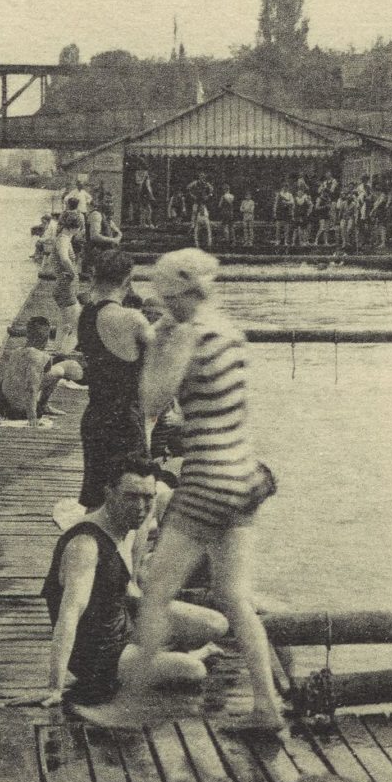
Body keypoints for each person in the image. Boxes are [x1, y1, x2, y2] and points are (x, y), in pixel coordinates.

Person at [119, 249, 284, 732]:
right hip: (246, 475)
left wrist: (159, 346)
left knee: (155, 596)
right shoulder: (230, 331)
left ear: (175, 295)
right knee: (234, 596)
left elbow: (151, 401)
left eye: (166, 297)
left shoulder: (185, 335)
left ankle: (129, 708)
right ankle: (267, 707)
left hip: (208, 478)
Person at [13, 455, 228, 712]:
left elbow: (125, 587)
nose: (140, 506)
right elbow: (69, 615)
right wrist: (55, 687)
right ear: (109, 493)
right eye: (130, 496)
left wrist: (160, 610)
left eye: (148, 497)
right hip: (99, 655)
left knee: (216, 624)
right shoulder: (86, 544)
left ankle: (160, 653)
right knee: (193, 670)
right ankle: (182, 655)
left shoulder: (128, 526)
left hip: (121, 621)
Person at [77, 250, 150, 511]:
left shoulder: (85, 315)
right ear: (127, 280)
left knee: (96, 500)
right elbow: (162, 361)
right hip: (125, 422)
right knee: (139, 502)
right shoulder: (133, 319)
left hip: (95, 417)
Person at [0, 316, 85, 424]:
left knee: (55, 366)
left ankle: (43, 406)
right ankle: (43, 406)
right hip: (19, 412)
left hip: (4, 408)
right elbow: (31, 388)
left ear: (27, 335)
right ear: (46, 338)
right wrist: (33, 418)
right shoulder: (38, 357)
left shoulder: (16, 352)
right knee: (60, 370)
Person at [51, 210, 86, 355]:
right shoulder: (64, 239)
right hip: (65, 287)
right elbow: (64, 258)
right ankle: (64, 352)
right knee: (78, 324)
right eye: (79, 228)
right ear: (75, 227)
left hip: (64, 287)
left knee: (64, 324)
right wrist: (72, 273)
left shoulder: (63, 238)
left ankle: (59, 350)